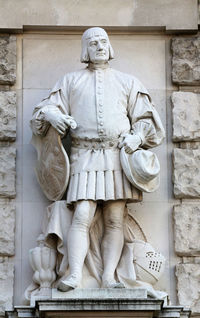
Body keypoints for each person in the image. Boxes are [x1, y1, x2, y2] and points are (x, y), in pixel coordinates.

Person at [30, 27, 165, 291]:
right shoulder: (70, 81)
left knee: (115, 217)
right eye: (93, 43)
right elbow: (40, 114)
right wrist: (52, 115)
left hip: (117, 156)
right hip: (83, 155)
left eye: (104, 41)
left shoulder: (128, 82)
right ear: (85, 50)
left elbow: (147, 120)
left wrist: (137, 138)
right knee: (82, 214)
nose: (100, 46)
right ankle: (75, 275)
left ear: (110, 46)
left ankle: (109, 278)